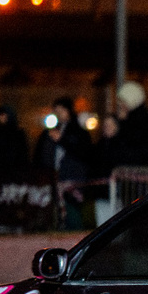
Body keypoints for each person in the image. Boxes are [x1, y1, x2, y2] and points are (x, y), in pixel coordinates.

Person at [34, 97, 94, 229]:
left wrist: (62, 140)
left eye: (61, 110)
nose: (58, 114)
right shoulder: (50, 131)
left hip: (72, 180)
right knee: (53, 213)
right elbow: (41, 153)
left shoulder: (78, 131)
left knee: (72, 213)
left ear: (68, 111)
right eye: (56, 111)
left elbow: (82, 152)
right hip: (52, 178)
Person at [114, 81, 148, 167]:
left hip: (134, 165)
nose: (120, 104)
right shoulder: (140, 115)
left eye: (123, 101)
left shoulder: (139, 117)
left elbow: (129, 139)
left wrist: (122, 122)